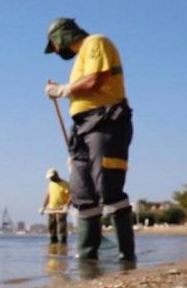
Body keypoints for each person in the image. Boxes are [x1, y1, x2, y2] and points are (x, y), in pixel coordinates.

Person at [43, 17, 136, 262]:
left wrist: (62, 90)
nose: (55, 51)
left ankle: (126, 258)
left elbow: (95, 80)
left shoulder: (96, 42)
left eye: (53, 45)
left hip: (106, 121)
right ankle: (87, 260)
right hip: (82, 128)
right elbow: (82, 86)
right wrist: (64, 90)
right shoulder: (78, 61)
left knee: (109, 187)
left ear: (61, 37)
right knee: (82, 190)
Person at [39, 167, 71, 245]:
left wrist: (67, 205)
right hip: (51, 208)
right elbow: (48, 195)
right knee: (51, 226)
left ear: (56, 175)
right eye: (50, 178)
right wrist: (43, 206)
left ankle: (63, 243)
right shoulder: (51, 184)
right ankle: (53, 243)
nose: (51, 179)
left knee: (61, 226)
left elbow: (71, 195)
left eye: (52, 177)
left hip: (61, 208)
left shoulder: (65, 184)